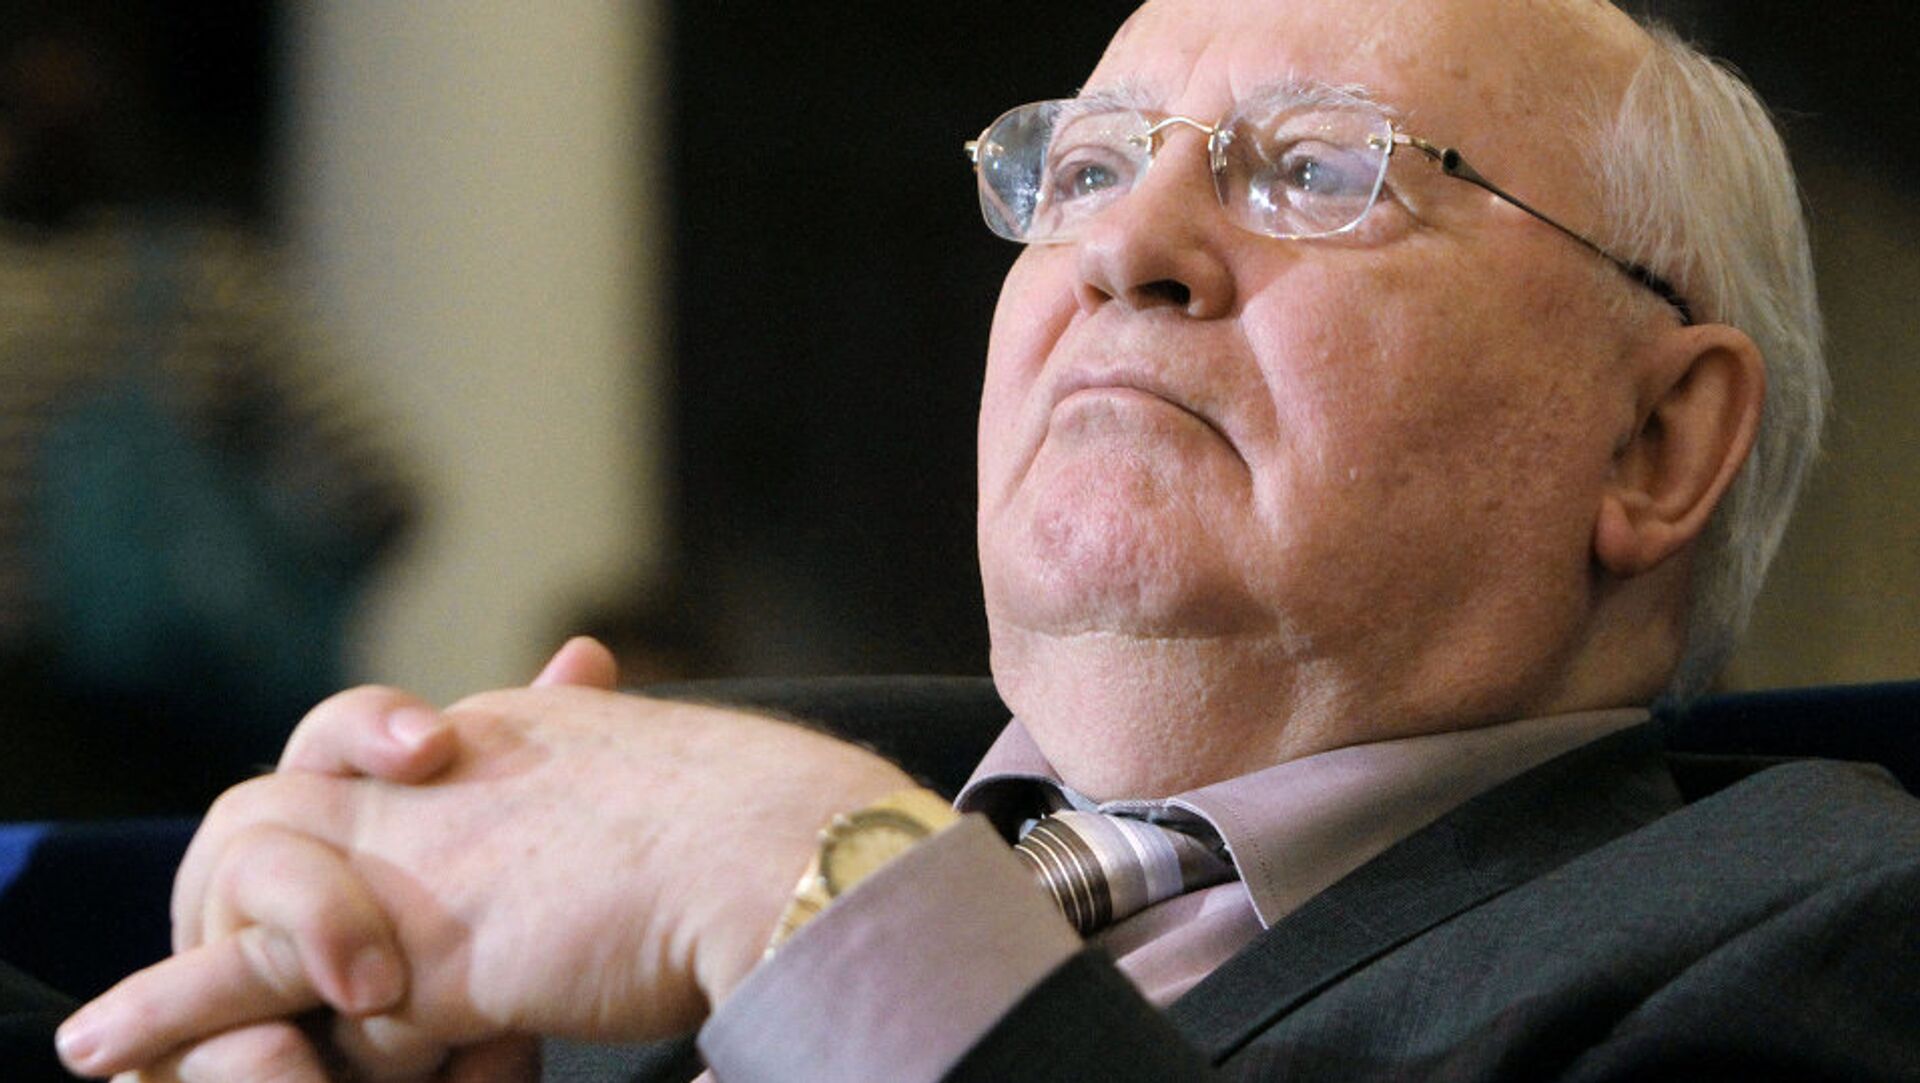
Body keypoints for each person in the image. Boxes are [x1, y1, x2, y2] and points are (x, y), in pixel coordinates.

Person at [43, 0, 1920, 1079]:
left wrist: (822, 901)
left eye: (1317, 170)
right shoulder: (592, 824)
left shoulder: (1831, 943)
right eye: (1085, 168)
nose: (1125, 247)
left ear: (1656, 442)